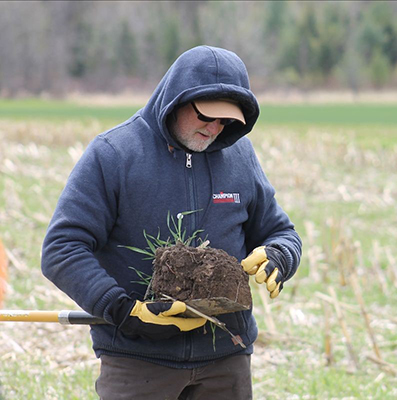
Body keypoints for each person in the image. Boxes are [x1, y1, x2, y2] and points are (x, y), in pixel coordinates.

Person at [41, 45, 302, 399]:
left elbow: (281, 232)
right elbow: (62, 248)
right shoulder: (114, 154)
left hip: (226, 358)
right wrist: (123, 311)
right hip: (139, 361)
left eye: (227, 121)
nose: (214, 128)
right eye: (206, 116)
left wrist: (280, 256)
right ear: (177, 98)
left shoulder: (240, 156)